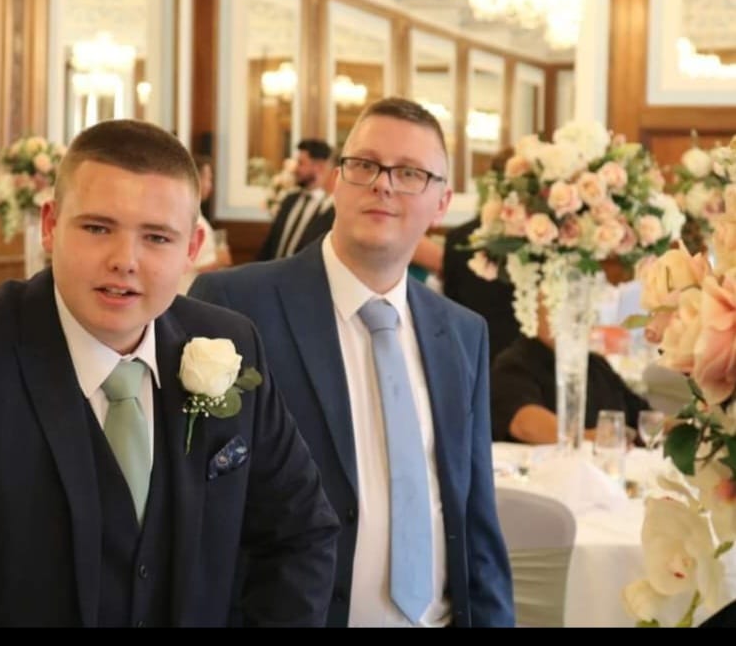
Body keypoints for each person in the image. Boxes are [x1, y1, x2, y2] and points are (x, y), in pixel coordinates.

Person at [0, 119, 339, 627]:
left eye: (157, 237)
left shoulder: (231, 346)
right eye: (97, 228)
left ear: (192, 247)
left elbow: (299, 533)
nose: (124, 260)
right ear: (51, 224)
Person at [191, 97, 514, 628]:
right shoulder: (236, 308)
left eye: (410, 173)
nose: (383, 184)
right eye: (364, 165)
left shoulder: (461, 332)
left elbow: (475, 521)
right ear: (338, 180)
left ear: (441, 203)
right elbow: (204, 515)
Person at [491, 298, 652, 444]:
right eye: (557, 307)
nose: (573, 318)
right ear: (534, 312)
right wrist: (589, 438)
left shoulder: (596, 364)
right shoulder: (513, 363)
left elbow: (643, 419)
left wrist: (675, 429)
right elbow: (524, 424)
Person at [442, 149, 519, 361]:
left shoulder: (458, 238)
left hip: (468, 354)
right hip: (522, 365)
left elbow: (450, 308)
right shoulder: (537, 242)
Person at [256, 138, 333, 261]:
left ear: (318, 167)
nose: (296, 169)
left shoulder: (330, 211)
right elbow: (270, 244)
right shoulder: (289, 200)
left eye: (301, 163)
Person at [177, 156, 232, 294]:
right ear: (197, 180)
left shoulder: (192, 214)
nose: (210, 185)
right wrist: (220, 260)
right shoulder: (194, 220)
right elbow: (201, 266)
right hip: (188, 290)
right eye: (208, 179)